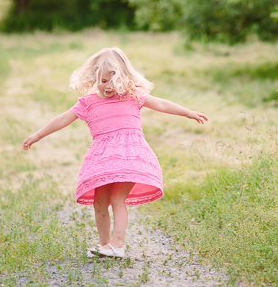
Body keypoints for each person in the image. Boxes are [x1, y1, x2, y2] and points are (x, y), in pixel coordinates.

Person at [22, 47, 207, 259]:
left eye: (113, 80)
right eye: (102, 81)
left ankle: (117, 245)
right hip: (102, 158)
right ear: (93, 79)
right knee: (99, 201)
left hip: (130, 155)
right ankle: (105, 245)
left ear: (124, 78)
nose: (108, 86)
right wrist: (37, 135)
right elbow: (63, 119)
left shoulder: (132, 97)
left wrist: (188, 113)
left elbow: (162, 103)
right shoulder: (87, 103)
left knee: (118, 199)